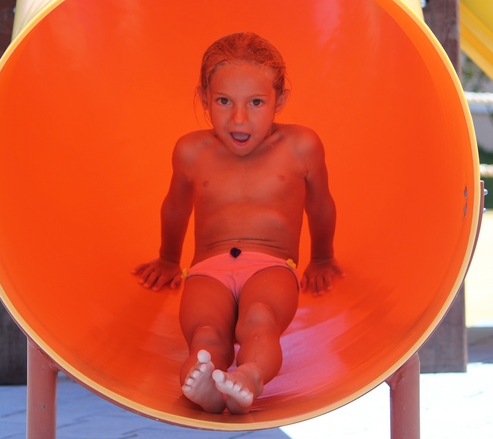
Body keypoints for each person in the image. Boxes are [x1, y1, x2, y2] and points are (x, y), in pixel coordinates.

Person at [133, 32, 342, 415]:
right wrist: (168, 259)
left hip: (271, 265)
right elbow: (176, 208)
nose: (239, 118)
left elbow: (320, 205)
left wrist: (323, 257)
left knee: (260, 319)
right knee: (204, 333)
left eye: (256, 102)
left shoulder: (301, 146)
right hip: (207, 270)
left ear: (280, 100)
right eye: (224, 101)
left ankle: (251, 376)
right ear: (204, 98)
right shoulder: (191, 151)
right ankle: (203, 387)